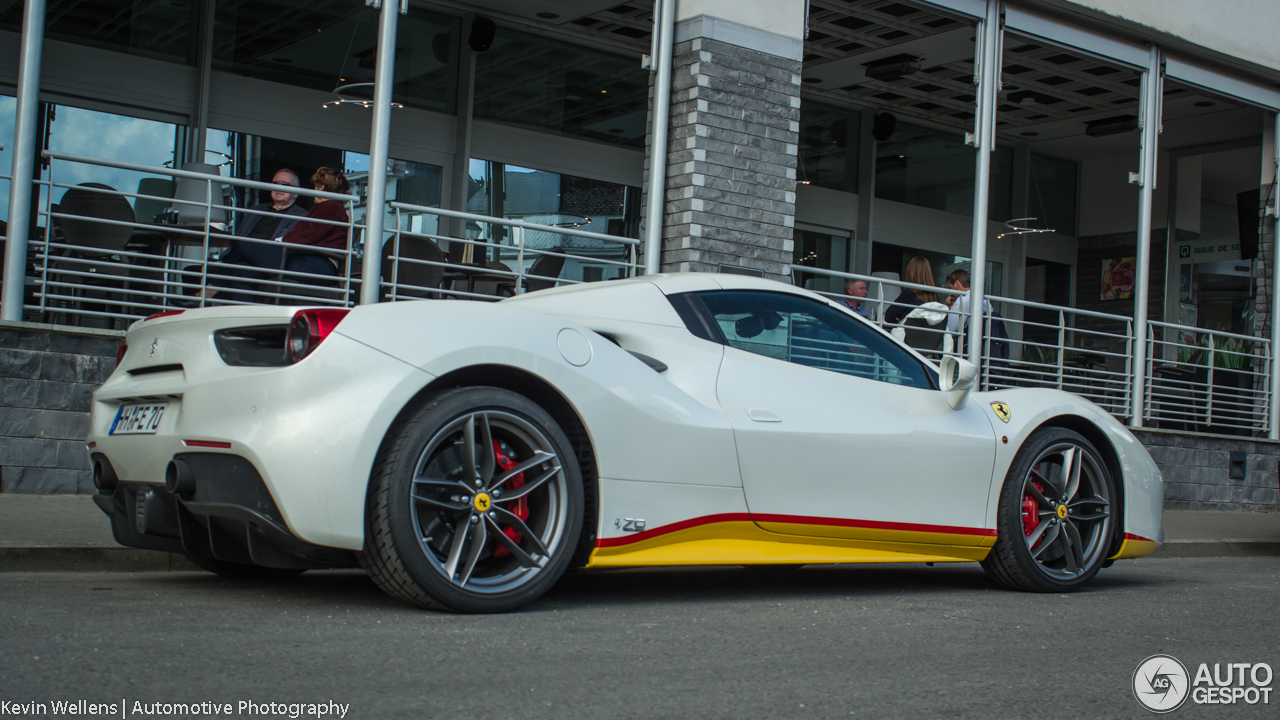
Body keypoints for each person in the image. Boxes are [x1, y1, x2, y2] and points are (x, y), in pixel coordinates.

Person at [201, 168, 309, 302]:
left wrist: (226, 261)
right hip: (242, 261)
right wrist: (223, 258)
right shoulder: (256, 210)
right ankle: (193, 313)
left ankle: (206, 294)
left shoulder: (303, 216)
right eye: (276, 183)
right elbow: (238, 238)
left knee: (240, 263)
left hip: (271, 261)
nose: (279, 187)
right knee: (196, 269)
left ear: (296, 193)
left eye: (285, 184)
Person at [885, 256, 939, 325]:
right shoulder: (935, 296)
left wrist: (901, 318)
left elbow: (888, 317)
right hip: (928, 335)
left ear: (911, 273)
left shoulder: (908, 293)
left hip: (907, 334)